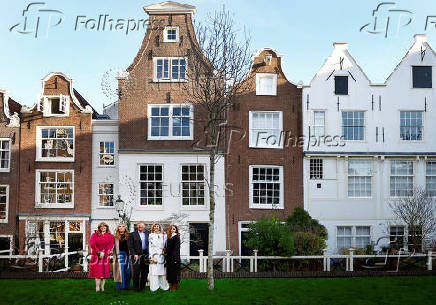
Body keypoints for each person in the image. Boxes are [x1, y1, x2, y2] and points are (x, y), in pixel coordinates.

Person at [89, 222, 114, 292]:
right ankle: (97, 287)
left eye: (104, 226)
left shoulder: (111, 236)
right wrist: (99, 252)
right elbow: (92, 244)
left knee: (104, 272)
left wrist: (105, 252)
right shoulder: (94, 235)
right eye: (101, 227)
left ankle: (102, 287)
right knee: (97, 272)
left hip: (105, 256)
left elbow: (110, 245)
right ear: (99, 228)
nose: (103, 228)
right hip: (96, 255)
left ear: (107, 227)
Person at [128, 222, 149, 291]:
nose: (140, 227)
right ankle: (136, 288)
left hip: (146, 255)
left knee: (145, 272)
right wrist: (134, 254)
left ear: (144, 227)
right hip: (136, 255)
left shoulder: (148, 234)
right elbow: (130, 246)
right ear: (137, 227)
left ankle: (142, 287)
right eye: (139, 226)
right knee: (136, 272)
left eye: (142, 226)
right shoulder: (132, 234)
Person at [148, 224, 169, 292]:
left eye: (157, 227)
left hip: (161, 254)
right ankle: (154, 287)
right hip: (153, 253)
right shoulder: (151, 235)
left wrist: (164, 250)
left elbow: (166, 244)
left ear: (160, 228)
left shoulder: (164, 235)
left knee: (161, 270)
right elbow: (150, 246)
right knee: (154, 270)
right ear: (153, 228)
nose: (156, 228)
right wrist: (150, 256)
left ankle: (163, 286)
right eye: (155, 227)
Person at [113, 223, 131, 290]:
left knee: (128, 271)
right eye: (120, 226)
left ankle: (127, 286)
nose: (121, 227)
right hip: (119, 254)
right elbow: (113, 247)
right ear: (118, 228)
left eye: (123, 226)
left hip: (128, 254)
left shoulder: (129, 236)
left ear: (125, 228)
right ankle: (120, 286)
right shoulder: (115, 237)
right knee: (120, 271)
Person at [165, 224, 181, 291]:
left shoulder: (176, 237)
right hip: (169, 257)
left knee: (174, 272)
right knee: (170, 272)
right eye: (171, 229)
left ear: (176, 230)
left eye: (174, 229)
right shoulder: (169, 237)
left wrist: (175, 259)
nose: (172, 230)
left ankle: (175, 286)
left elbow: (176, 249)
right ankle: (171, 285)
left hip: (174, 257)